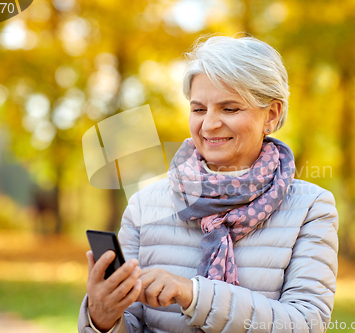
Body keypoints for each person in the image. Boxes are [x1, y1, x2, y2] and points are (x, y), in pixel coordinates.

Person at [78, 34, 339, 333]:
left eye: (230, 109)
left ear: (272, 114)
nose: (209, 124)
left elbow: (306, 324)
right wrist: (101, 319)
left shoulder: (310, 207)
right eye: (199, 109)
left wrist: (194, 295)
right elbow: (130, 324)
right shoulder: (144, 206)